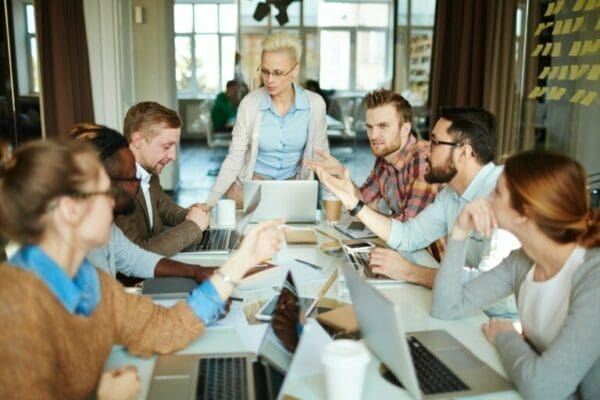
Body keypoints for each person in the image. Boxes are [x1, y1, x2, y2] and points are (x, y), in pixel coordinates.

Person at [0, 139, 284, 399]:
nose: (113, 201)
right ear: (69, 210)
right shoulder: (13, 305)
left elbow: (163, 328)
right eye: (104, 192)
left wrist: (243, 260)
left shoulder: (92, 281)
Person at [430, 151, 600, 399]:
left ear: (523, 213)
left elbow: (544, 388)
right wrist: (460, 230)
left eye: (498, 191)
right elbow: (446, 307)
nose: (488, 197)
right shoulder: (523, 261)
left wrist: (506, 336)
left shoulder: (593, 276)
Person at [314, 107, 519, 289]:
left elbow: (486, 284)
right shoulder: (451, 194)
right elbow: (409, 235)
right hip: (467, 307)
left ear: (464, 153)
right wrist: (353, 203)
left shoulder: (504, 193)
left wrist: (409, 272)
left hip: (501, 320)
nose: (427, 151)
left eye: (435, 143)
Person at [305, 89, 444, 262]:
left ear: (405, 129)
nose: (374, 136)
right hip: (404, 253)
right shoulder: (385, 157)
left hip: (430, 262)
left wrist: (369, 211)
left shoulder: (422, 160)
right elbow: (363, 200)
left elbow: (408, 233)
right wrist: (340, 172)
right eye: (370, 127)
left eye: (383, 126)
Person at [68, 123, 216, 282]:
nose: (139, 184)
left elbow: (136, 259)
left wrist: (196, 272)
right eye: (132, 178)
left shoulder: (107, 227)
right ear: (104, 182)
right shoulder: (72, 248)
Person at [202, 31, 329, 209]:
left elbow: (322, 159)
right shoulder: (249, 104)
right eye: (265, 71)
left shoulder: (315, 105)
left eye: (278, 73)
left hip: (294, 192)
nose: (270, 80)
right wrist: (209, 203)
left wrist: (335, 211)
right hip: (249, 191)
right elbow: (234, 157)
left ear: (295, 70)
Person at [115, 101, 211, 256]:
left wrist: (190, 214)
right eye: (166, 147)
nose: (173, 156)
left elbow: (164, 208)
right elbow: (135, 255)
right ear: (138, 140)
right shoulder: (117, 188)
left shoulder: (149, 172)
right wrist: (193, 226)